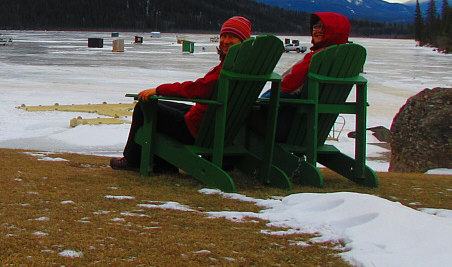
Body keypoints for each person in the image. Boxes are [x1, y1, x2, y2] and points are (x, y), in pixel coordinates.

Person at [110, 16, 253, 172]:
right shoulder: (245, 66)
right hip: (211, 119)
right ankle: (164, 162)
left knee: (144, 107)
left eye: (232, 36)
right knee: (157, 104)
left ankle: (133, 160)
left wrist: (159, 90)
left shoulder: (227, 70)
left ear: (243, 41)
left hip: (198, 129)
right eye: (223, 36)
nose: (225, 41)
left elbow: (197, 89)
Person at [255, 12, 351, 140]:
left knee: (244, 115)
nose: (318, 31)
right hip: (314, 128)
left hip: (286, 126)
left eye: (324, 27)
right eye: (316, 26)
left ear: (334, 31)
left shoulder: (316, 58)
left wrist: (263, 100)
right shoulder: (346, 61)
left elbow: (289, 86)